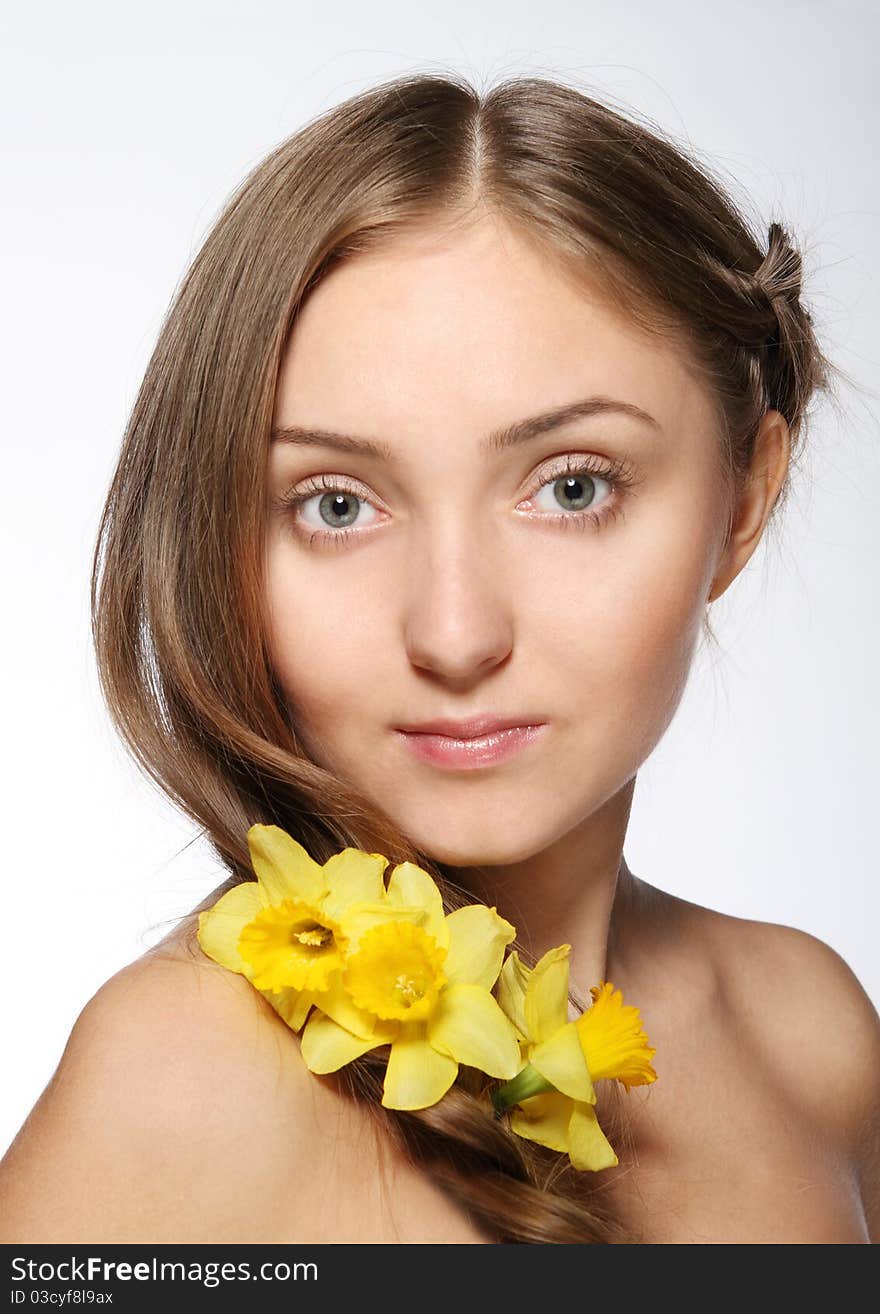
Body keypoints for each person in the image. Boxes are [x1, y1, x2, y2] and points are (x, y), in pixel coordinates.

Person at [0, 71, 877, 1246]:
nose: (455, 635)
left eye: (572, 487)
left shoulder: (809, 1036)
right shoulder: (184, 1086)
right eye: (336, 506)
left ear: (742, 501)